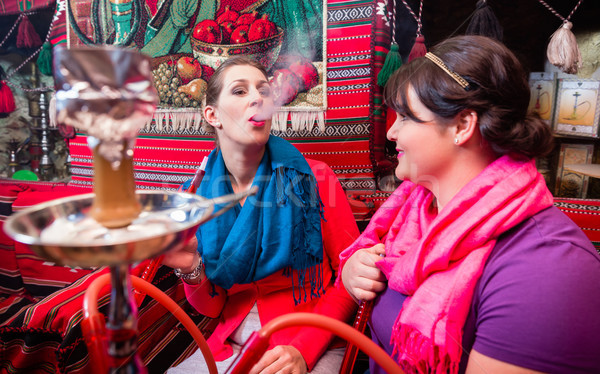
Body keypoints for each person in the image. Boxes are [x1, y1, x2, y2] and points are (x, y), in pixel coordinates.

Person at [339, 35, 600, 374]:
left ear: (462, 125)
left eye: (406, 117)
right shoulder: (411, 216)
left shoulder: (546, 267)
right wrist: (352, 275)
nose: (392, 133)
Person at [163, 55, 359, 373]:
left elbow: (351, 279)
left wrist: (303, 349)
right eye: (240, 91)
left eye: (264, 91)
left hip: (309, 342)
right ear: (212, 115)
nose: (258, 98)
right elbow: (212, 308)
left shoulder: (317, 178)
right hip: (230, 345)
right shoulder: (194, 195)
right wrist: (191, 268)